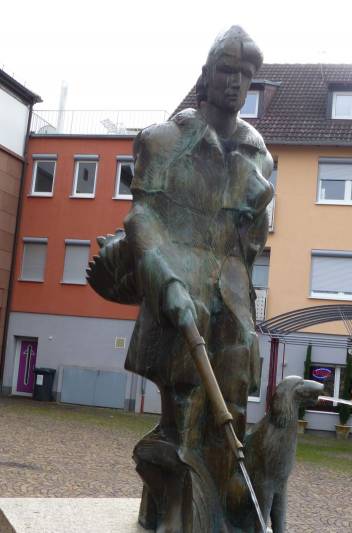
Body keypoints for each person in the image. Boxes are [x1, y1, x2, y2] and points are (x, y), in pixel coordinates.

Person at [92, 26, 274, 532]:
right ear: (206, 75)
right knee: (184, 402)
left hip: (231, 290)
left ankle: (218, 510)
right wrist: (165, 279)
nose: (235, 83)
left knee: (231, 397)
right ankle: (174, 508)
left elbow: (254, 236)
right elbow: (142, 218)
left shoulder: (257, 151)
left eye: (245, 75)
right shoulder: (164, 139)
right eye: (226, 71)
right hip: (176, 277)